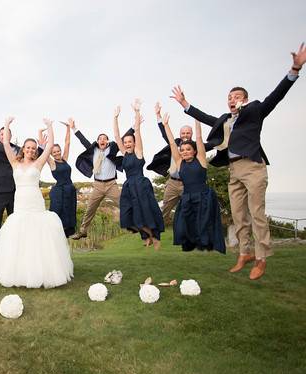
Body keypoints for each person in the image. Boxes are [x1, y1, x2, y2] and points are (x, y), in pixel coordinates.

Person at [170, 42, 305, 280]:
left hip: (252, 167)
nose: (232, 99)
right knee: (239, 215)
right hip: (234, 171)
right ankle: (244, 253)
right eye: (229, 97)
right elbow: (206, 117)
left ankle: (262, 258)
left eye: (237, 97)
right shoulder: (225, 121)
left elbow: (276, 96)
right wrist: (185, 105)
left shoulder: (254, 113)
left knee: (257, 213)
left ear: (245, 99)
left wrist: (294, 69)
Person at [0, 116, 73, 289]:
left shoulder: (39, 163)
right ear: (23, 149)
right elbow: (6, 144)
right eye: (28, 147)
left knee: (38, 235)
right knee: (20, 235)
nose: (31, 150)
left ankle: (43, 272)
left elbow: (49, 146)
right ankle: (20, 273)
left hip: (36, 202)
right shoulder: (14, 162)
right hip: (20, 203)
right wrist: (6, 124)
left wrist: (50, 126)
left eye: (33, 148)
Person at [161, 115, 225, 253]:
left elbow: (200, 139)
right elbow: (172, 144)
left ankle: (208, 244)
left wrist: (197, 121)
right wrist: (166, 125)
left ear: (194, 151)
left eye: (188, 149)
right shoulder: (179, 163)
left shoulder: (201, 159)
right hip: (187, 197)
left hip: (204, 197)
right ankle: (190, 244)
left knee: (204, 223)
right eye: (182, 150)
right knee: (183, 224)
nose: (185, 152)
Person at [69, 121, 134, 240]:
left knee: (124, 204)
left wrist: (134, 126)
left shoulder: (113, 148)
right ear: (98, 141)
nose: (102, 140)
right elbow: (83, 140)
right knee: (90, 209)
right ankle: (83, 231)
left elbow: (123, 137)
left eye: (105, 138)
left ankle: (134, 224)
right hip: (98, 185)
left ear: (107, 141)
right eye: (100, 138)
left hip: (111, 185)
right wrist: (74, 128)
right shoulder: (93, 150)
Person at [113, 100, 164, 249]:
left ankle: (154, 237)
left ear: (134, 143)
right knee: (132, 214)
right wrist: (115, 118)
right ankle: (146, 235)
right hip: (129, 186)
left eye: (130, 141)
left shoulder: (138, 152)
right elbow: (116, 136)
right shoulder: (124, 154)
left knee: (146, 211)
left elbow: (137, 132)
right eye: (126, 142)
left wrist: (136, 112)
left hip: (141, 184)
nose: (128, 143)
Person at [47, 118, 77, 237]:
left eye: (58, 151)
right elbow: (45, 148)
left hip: (70, 189)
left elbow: (67, 143)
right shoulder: (52, 163)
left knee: (69, 211)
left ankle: (69, 233)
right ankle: (56, 234)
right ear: (51, 154)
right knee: (59, 213)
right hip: (59, 191)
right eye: (54, 152)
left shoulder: (64, 158)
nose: (56, 153)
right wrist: (48, 129)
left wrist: (68, 128)